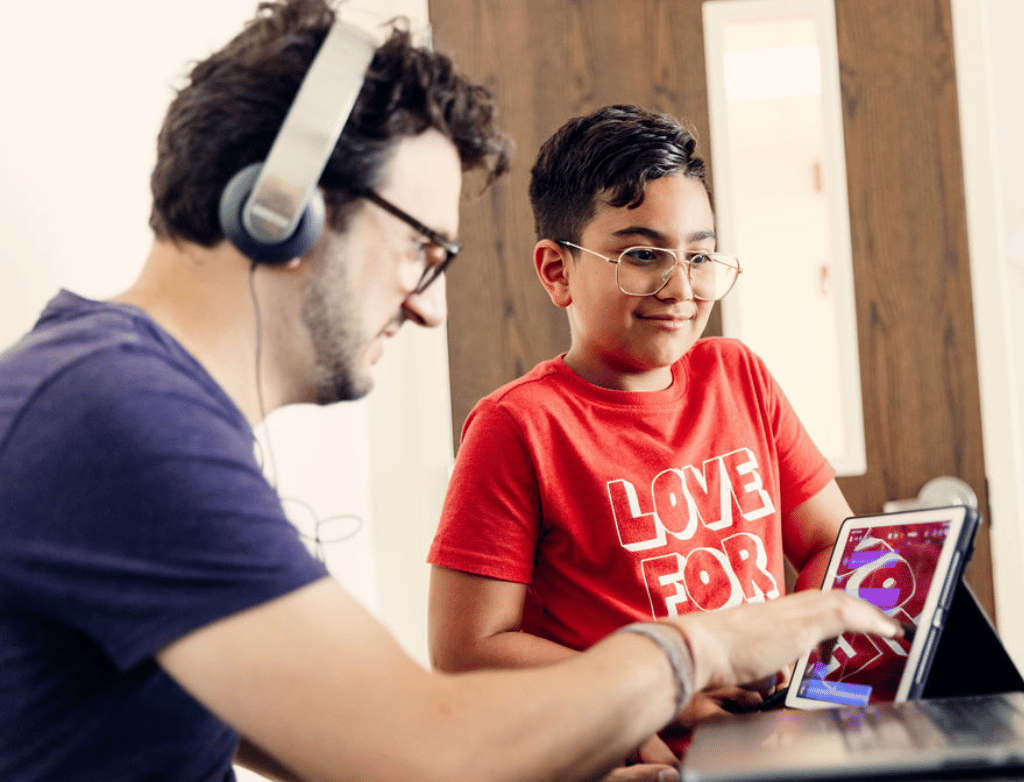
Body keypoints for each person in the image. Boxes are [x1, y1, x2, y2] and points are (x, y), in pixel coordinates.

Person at [0, 4, 901, 780]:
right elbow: (420, 749)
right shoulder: (118, 419)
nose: (430, 309)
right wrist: (705, 647)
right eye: (423, 250)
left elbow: (317, 734)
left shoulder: (125, 400)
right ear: (281, 209)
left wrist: (564, 749)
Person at [427, 105, 858, 768]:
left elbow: (834, 541)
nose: (681, 286)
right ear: (556, 271)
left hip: (774, 746)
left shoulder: (738, 374)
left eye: (700, 254)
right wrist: (662, 684)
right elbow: (468, 649)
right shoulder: (518, 426)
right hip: (638, 758)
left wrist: (791, 657)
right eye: (642, 254)